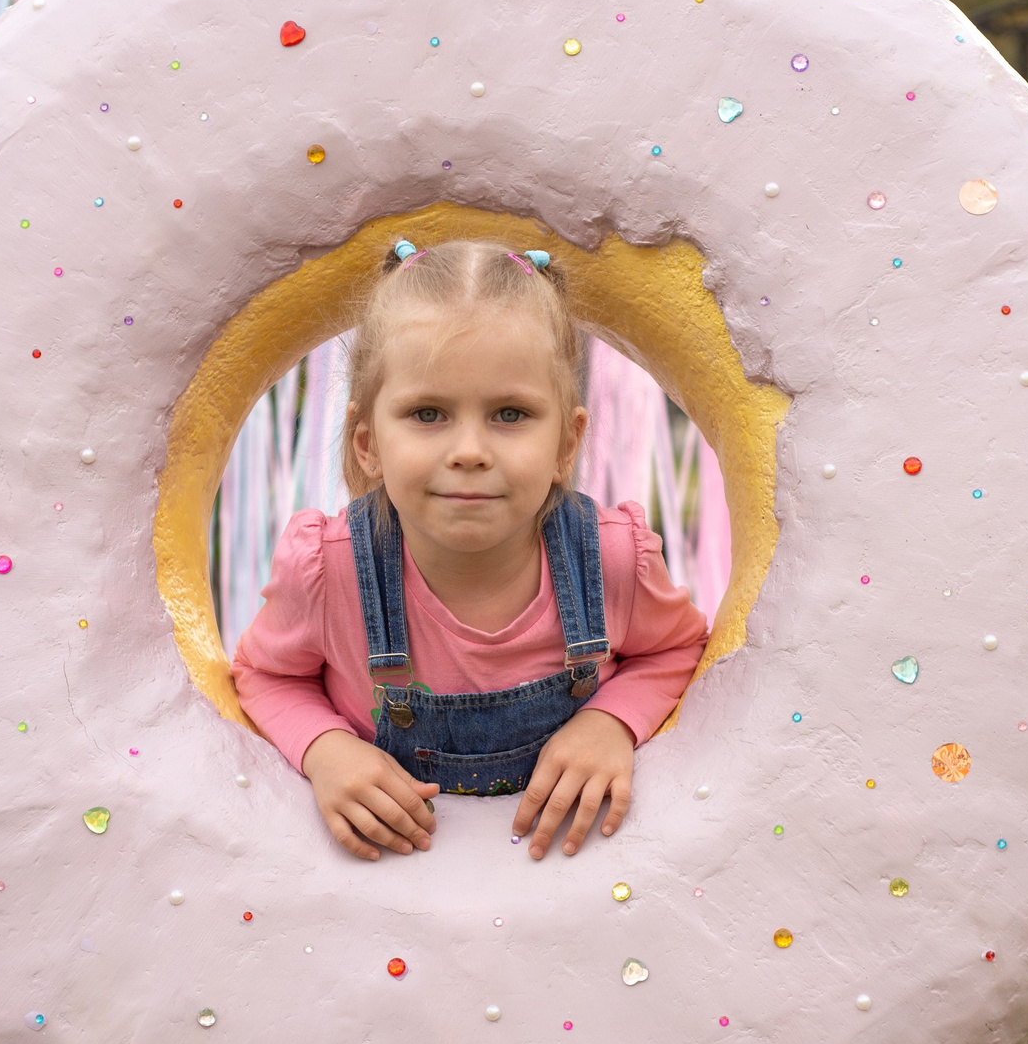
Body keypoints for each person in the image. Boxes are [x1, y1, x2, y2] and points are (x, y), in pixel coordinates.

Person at [231, 238, 710, 864]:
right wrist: (324, 748)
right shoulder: (331, 569)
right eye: (428, 413)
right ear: (368, 444)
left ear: (567, 443)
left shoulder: (611, 559)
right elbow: (265, 675)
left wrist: (611, 721)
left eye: (510, 414)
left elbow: (675, 650)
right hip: (394, 879)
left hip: (564, 875)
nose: (469, 451)